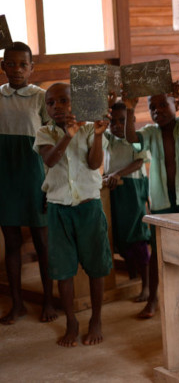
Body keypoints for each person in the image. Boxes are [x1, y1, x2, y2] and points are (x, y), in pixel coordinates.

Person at [34, 83, 112, 347]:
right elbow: (50, 160)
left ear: (75, 103)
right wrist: (67, 135)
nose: (58, 107)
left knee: (97, 267)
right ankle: (71, 320)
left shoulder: (90, 128)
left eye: (64, 101)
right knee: (63, 269)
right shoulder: (44, 132)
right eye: (51, 103)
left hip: (88, 206)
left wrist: (99, 135)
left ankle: (96, 319)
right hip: (58, 208)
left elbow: (93, 164)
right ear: (46, 108)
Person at [124, 92, 179, 319]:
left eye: (163, 105)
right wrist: (130, 109)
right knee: (158, 251)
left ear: (176, 105)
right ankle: (153, 297)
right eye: (152, 107)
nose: (157, 110)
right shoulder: (150, 132)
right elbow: (131, 138)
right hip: (162, 202)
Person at [0, 42, 57, 325]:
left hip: (36, 179)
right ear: (3, 67)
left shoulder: (42, 98)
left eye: (23, 65)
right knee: (11, 242)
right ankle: (18, 304)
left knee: (43, 243)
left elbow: (54, 143)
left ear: (32, 68)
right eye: (10, 64)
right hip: (5, 178)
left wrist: (50, 185)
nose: (17, 70)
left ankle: (49, 300)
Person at [103, 101, 151, 302]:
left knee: (136, 235)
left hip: (132, 188)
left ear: (131, 120)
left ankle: (147, 287)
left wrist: (117, 173)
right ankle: (133, 275)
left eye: (122, 121)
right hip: (113, 190)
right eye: (112, 121)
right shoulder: (107, 138)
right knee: (119, 235)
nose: (116, 125)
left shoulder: (136, 139)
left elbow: (140, 161)